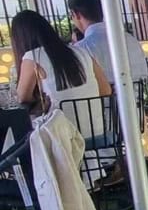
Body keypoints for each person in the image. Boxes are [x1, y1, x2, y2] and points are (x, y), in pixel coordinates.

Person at [11, 10, 112, 145]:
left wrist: (39, 98)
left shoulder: (32, 57)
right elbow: (106, 90)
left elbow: (22, 98)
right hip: (98, 136)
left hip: (63, 143)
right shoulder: (81, 52)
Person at [67, 0, 148, 82]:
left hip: (103, 96)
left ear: (76, 14)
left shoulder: (82, 49)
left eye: (71, 16)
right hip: (137, 95)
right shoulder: (130, 39)